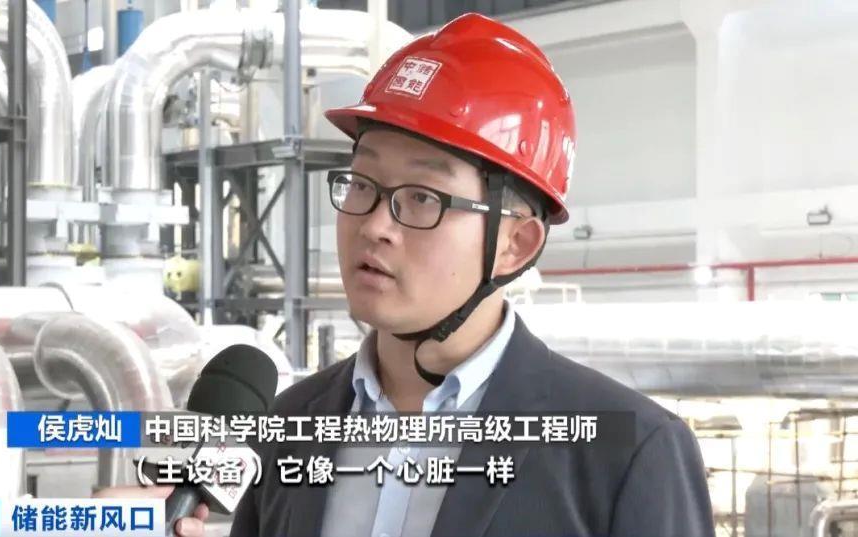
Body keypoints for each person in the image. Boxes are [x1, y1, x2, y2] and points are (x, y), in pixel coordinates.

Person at [101, 12, 714, 537]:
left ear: (515, 243)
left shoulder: (627, 453)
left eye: (422, 197)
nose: (374, 225)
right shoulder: (286, 430)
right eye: (362, 183)